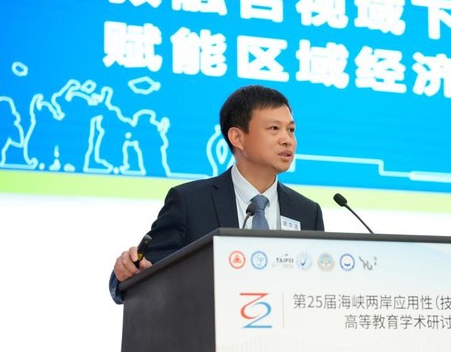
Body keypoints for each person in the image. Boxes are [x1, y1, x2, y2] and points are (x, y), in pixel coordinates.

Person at [109, 84, 325, 303]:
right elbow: (141, 270)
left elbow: (319, 287)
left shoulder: (308, 212)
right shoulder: (190, 203)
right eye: (274, 128)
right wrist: (126, 271)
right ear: (237, 137)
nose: (287, 139)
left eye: (291, 130)